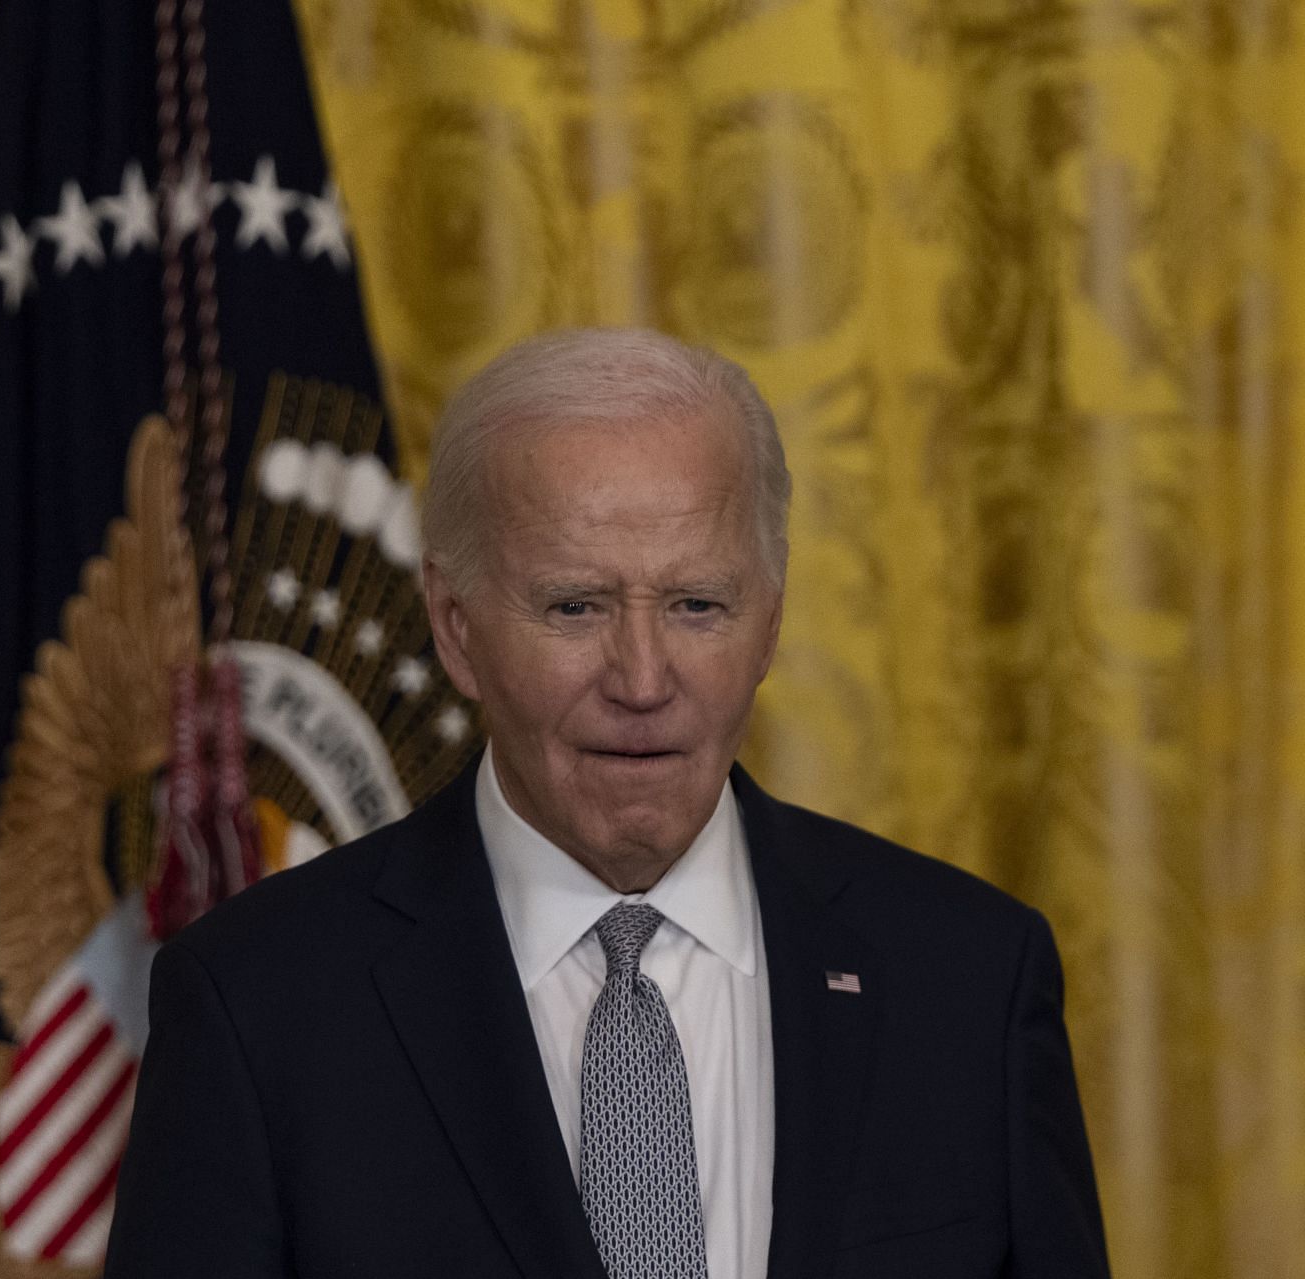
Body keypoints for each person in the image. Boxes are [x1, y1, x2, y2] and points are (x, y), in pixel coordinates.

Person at [103, 328, 1109, 1279]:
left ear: (769, 622)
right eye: (575, 606)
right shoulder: (257, 1005)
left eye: (696, 605)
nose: (641, 678)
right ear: (456, 630)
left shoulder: (971, 982)